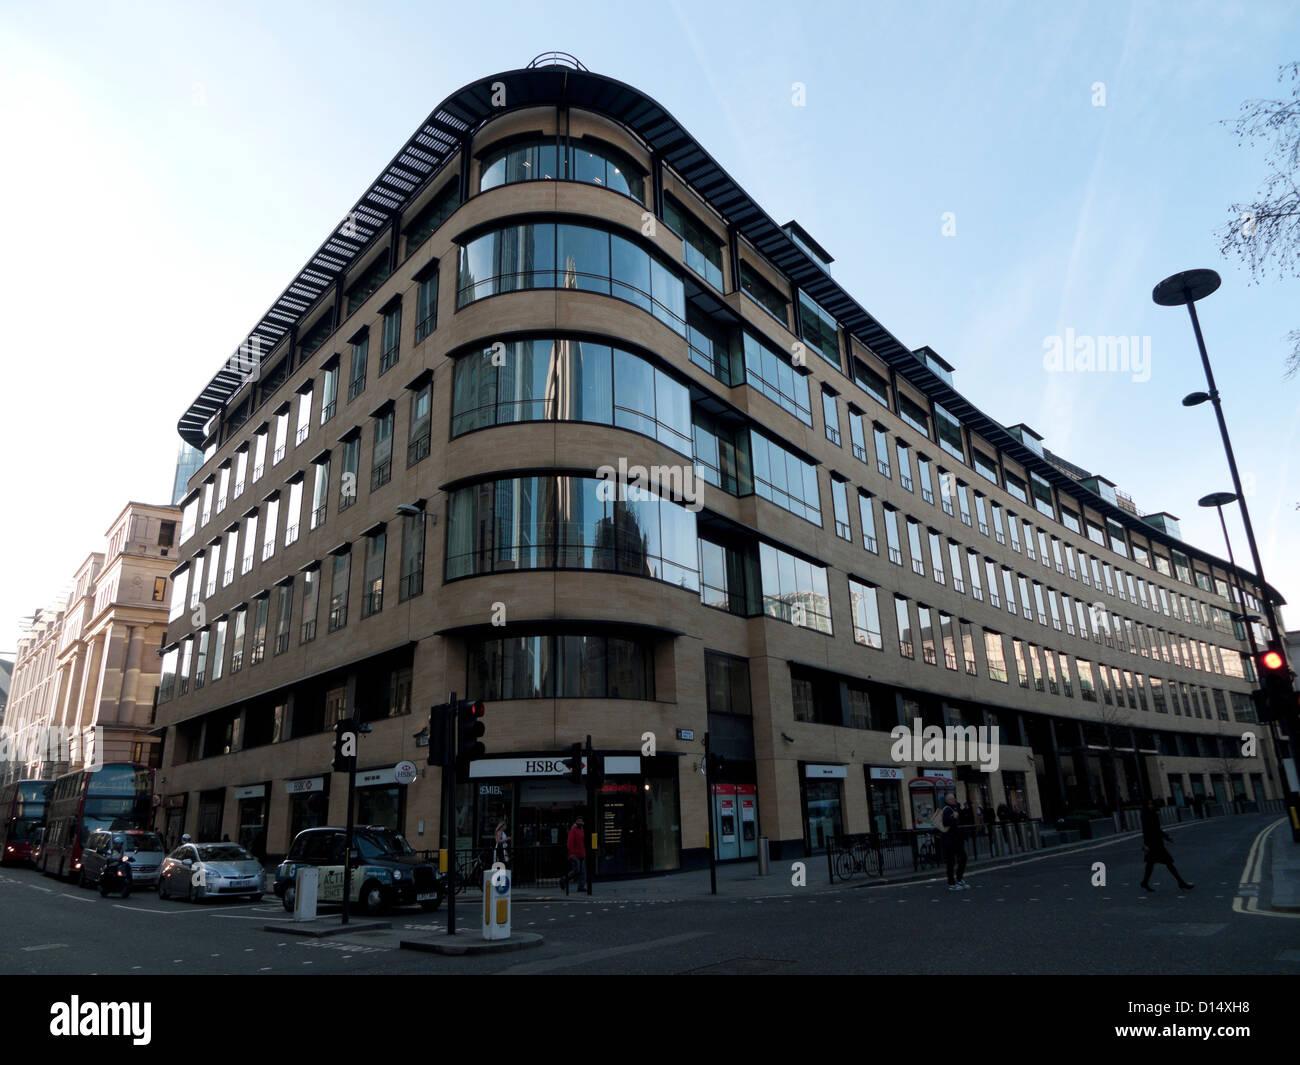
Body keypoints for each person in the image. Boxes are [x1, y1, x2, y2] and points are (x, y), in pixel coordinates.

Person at [1140, 799, 1193, 892]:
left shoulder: (1153, 815)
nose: (1150, 806)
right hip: (1153, 844)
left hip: (1156, 843)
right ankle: (1181, 882)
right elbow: (1146, 831)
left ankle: (1145, 882)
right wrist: (1146, 844)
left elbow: (1157, 829)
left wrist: (1167, 837)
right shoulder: (1146, 816)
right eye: (1148, 804)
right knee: (1168, 863)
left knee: (1151, 864)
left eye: (1151, 804)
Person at [940, 794, 970, 891]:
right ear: (948, 800)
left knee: (962, 857)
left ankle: (959, 879)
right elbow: (945, 822)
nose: (954, 800)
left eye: (954, 798)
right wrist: (953, 817)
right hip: (949, 840)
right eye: (952, 799)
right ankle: (952, 883)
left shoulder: (954, 808)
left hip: (955, 840)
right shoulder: (947, 809)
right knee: (951, 862)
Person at [562, 816, 586, 895]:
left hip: (582, 853)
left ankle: (581, 887)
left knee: (582, 871)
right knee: (577, 870)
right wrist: (571, 854)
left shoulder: (582, 830)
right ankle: (563, 880)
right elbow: (569, 843)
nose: (580, 822)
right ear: (576, 822)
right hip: (574, 854)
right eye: (578, 821)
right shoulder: (573, 830)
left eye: (581, 821)